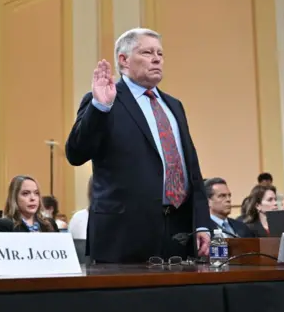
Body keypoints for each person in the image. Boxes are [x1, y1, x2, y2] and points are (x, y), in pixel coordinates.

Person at [65, 28, 210, 263]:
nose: (156, 59)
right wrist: (99, 108)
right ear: (124, 60)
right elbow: (76, 153)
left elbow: (191, 168)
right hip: (123, 234)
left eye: (160, 54)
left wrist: (202, 223)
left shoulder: (174, 105)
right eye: (147, 52)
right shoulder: (104, 100)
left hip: (179, 230)